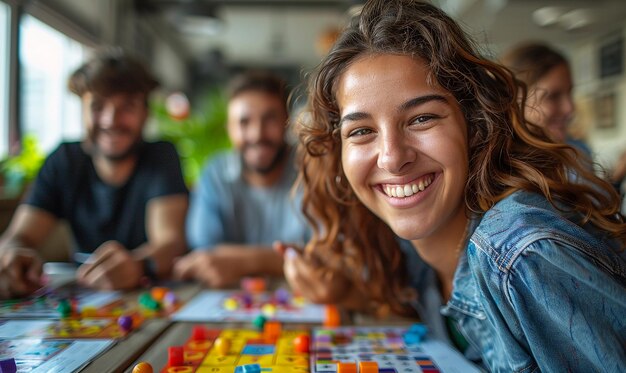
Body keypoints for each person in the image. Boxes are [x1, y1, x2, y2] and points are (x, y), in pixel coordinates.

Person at [280, 0, 626, 371]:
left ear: (475, 125)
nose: (392, 158)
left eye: (422, 118)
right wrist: (346, 292)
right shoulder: (412, 247)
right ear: (339, 152)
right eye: (362, 131)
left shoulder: (523, 254)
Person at [0, 49, 189, 298]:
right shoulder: (64, 160)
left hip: (147, 296)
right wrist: (12, 255)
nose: (111, 120)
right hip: (83, 300)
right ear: (82, 109)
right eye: (98, 106)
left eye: (127, 107)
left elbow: (170, 242)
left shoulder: (161, 157)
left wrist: (139, 265)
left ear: (145, 113)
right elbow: (19, 237)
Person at [173, 71, 310, 288]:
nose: (257, 134)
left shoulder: (312, 170)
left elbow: (325, 256)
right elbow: (204, 252)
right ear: (230, 129)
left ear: (286, 121)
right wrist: (286, 258)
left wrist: (243, 261)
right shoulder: (215, 173)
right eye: (244, 122)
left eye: (270, 119)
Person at [501, 42, 593, 160]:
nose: (570, 108)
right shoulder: (495, 167)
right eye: (553, 96)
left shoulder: (578, 154)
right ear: (513, 98)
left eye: (570, 92)